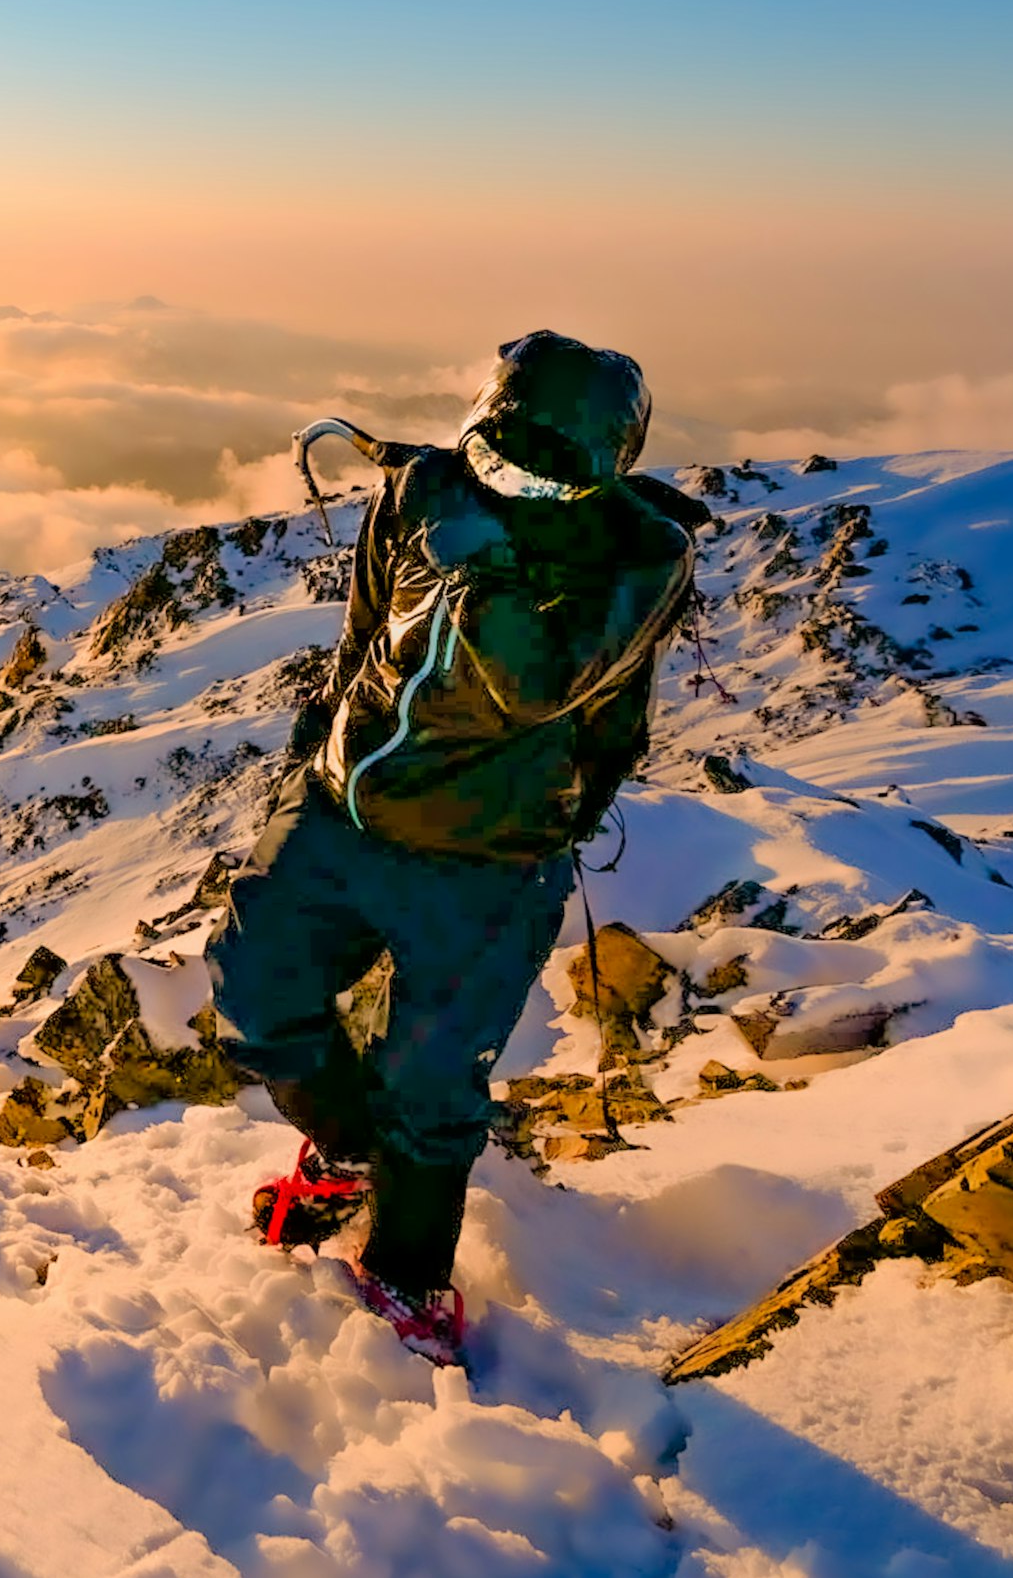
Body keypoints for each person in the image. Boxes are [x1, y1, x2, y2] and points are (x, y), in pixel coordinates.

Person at [203, 331, 706, 1367]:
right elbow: (364, 631)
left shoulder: (639, 557)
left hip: (491, 859)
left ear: (604, 471)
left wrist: (480, 550)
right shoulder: (427, 492)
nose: (508, 479)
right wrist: (319, 755)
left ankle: (409, 1270)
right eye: (493, 450)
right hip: (345, 812)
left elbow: (535, 683)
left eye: (539, 469)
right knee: (256, 990)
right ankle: (349, 1150)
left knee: (434, 1084)